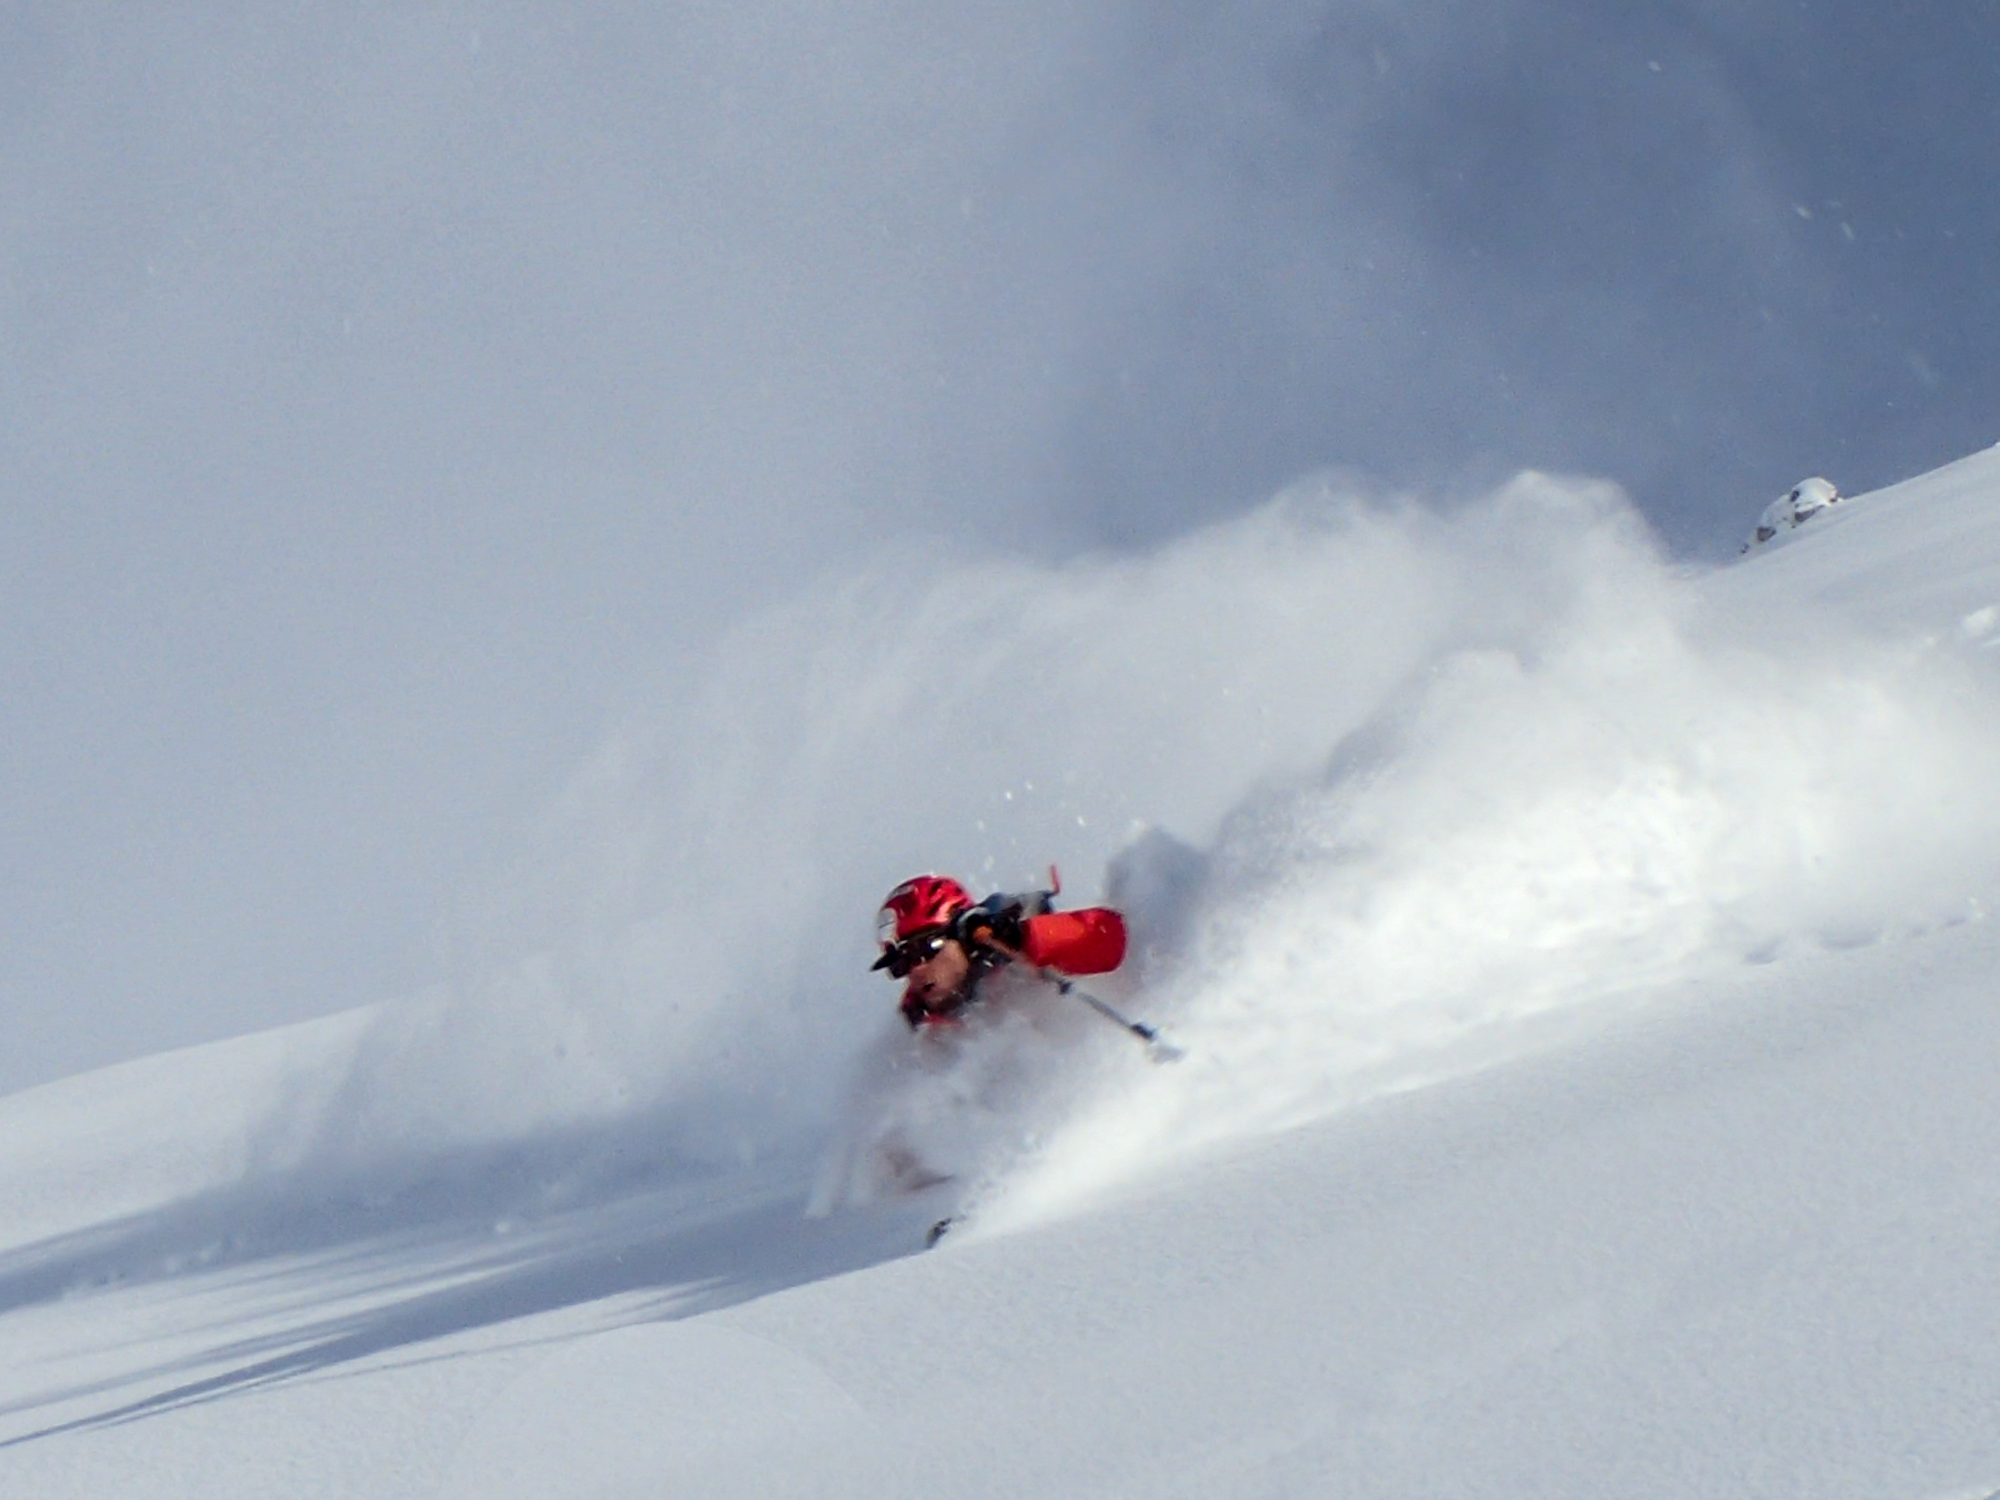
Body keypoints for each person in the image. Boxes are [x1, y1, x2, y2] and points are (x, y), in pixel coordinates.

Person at [871, 873, 1127, 1029]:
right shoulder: (922, 1023)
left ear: (962, 934)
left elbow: (1111, 936)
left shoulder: (1013, 954)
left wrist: (1023, 937)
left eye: (926, 949)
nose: (916, 970)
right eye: (902, 964)